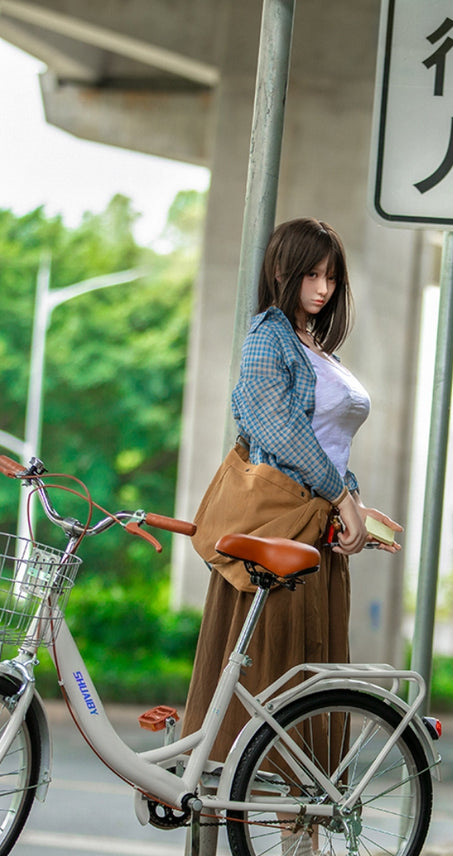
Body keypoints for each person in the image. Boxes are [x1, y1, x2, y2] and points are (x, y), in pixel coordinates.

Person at [181, 216, 402, 766]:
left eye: (331, 278)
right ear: (282, 270)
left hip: (314, 532)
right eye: (311, 275)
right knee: (271, 670)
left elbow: (328, 444)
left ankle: (301, 837)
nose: (323, 289)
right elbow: (274, 426)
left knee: (310, 675)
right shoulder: (268, 336)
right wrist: (339, 494)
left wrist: (351, 501)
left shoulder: (321, 351)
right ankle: (261, 824)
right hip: (276, 531)